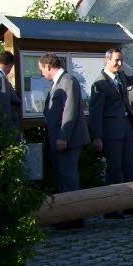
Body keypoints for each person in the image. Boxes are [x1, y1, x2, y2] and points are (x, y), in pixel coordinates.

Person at [88, 48, 133, 219]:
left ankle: (131, 205)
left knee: (130, 167)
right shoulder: (99, 83)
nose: (120, 64)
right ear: (107, 60)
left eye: (121, 60)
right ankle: (112, 208)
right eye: (117, 61)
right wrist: (97, 136)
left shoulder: (121, 77)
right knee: (114, 169)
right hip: (111, 132)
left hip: (126, 128)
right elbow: (95, 113)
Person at [40, 53, 90, 229]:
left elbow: (69, 111)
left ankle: (73, 217)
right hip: (60, 140)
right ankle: (68, 216)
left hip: (67, 140)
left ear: (48, 66)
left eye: (42, 70)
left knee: (68, 178)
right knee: (63, 177)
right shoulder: (59, 82)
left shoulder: (67, 81)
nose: (42, 74)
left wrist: (63, 136)